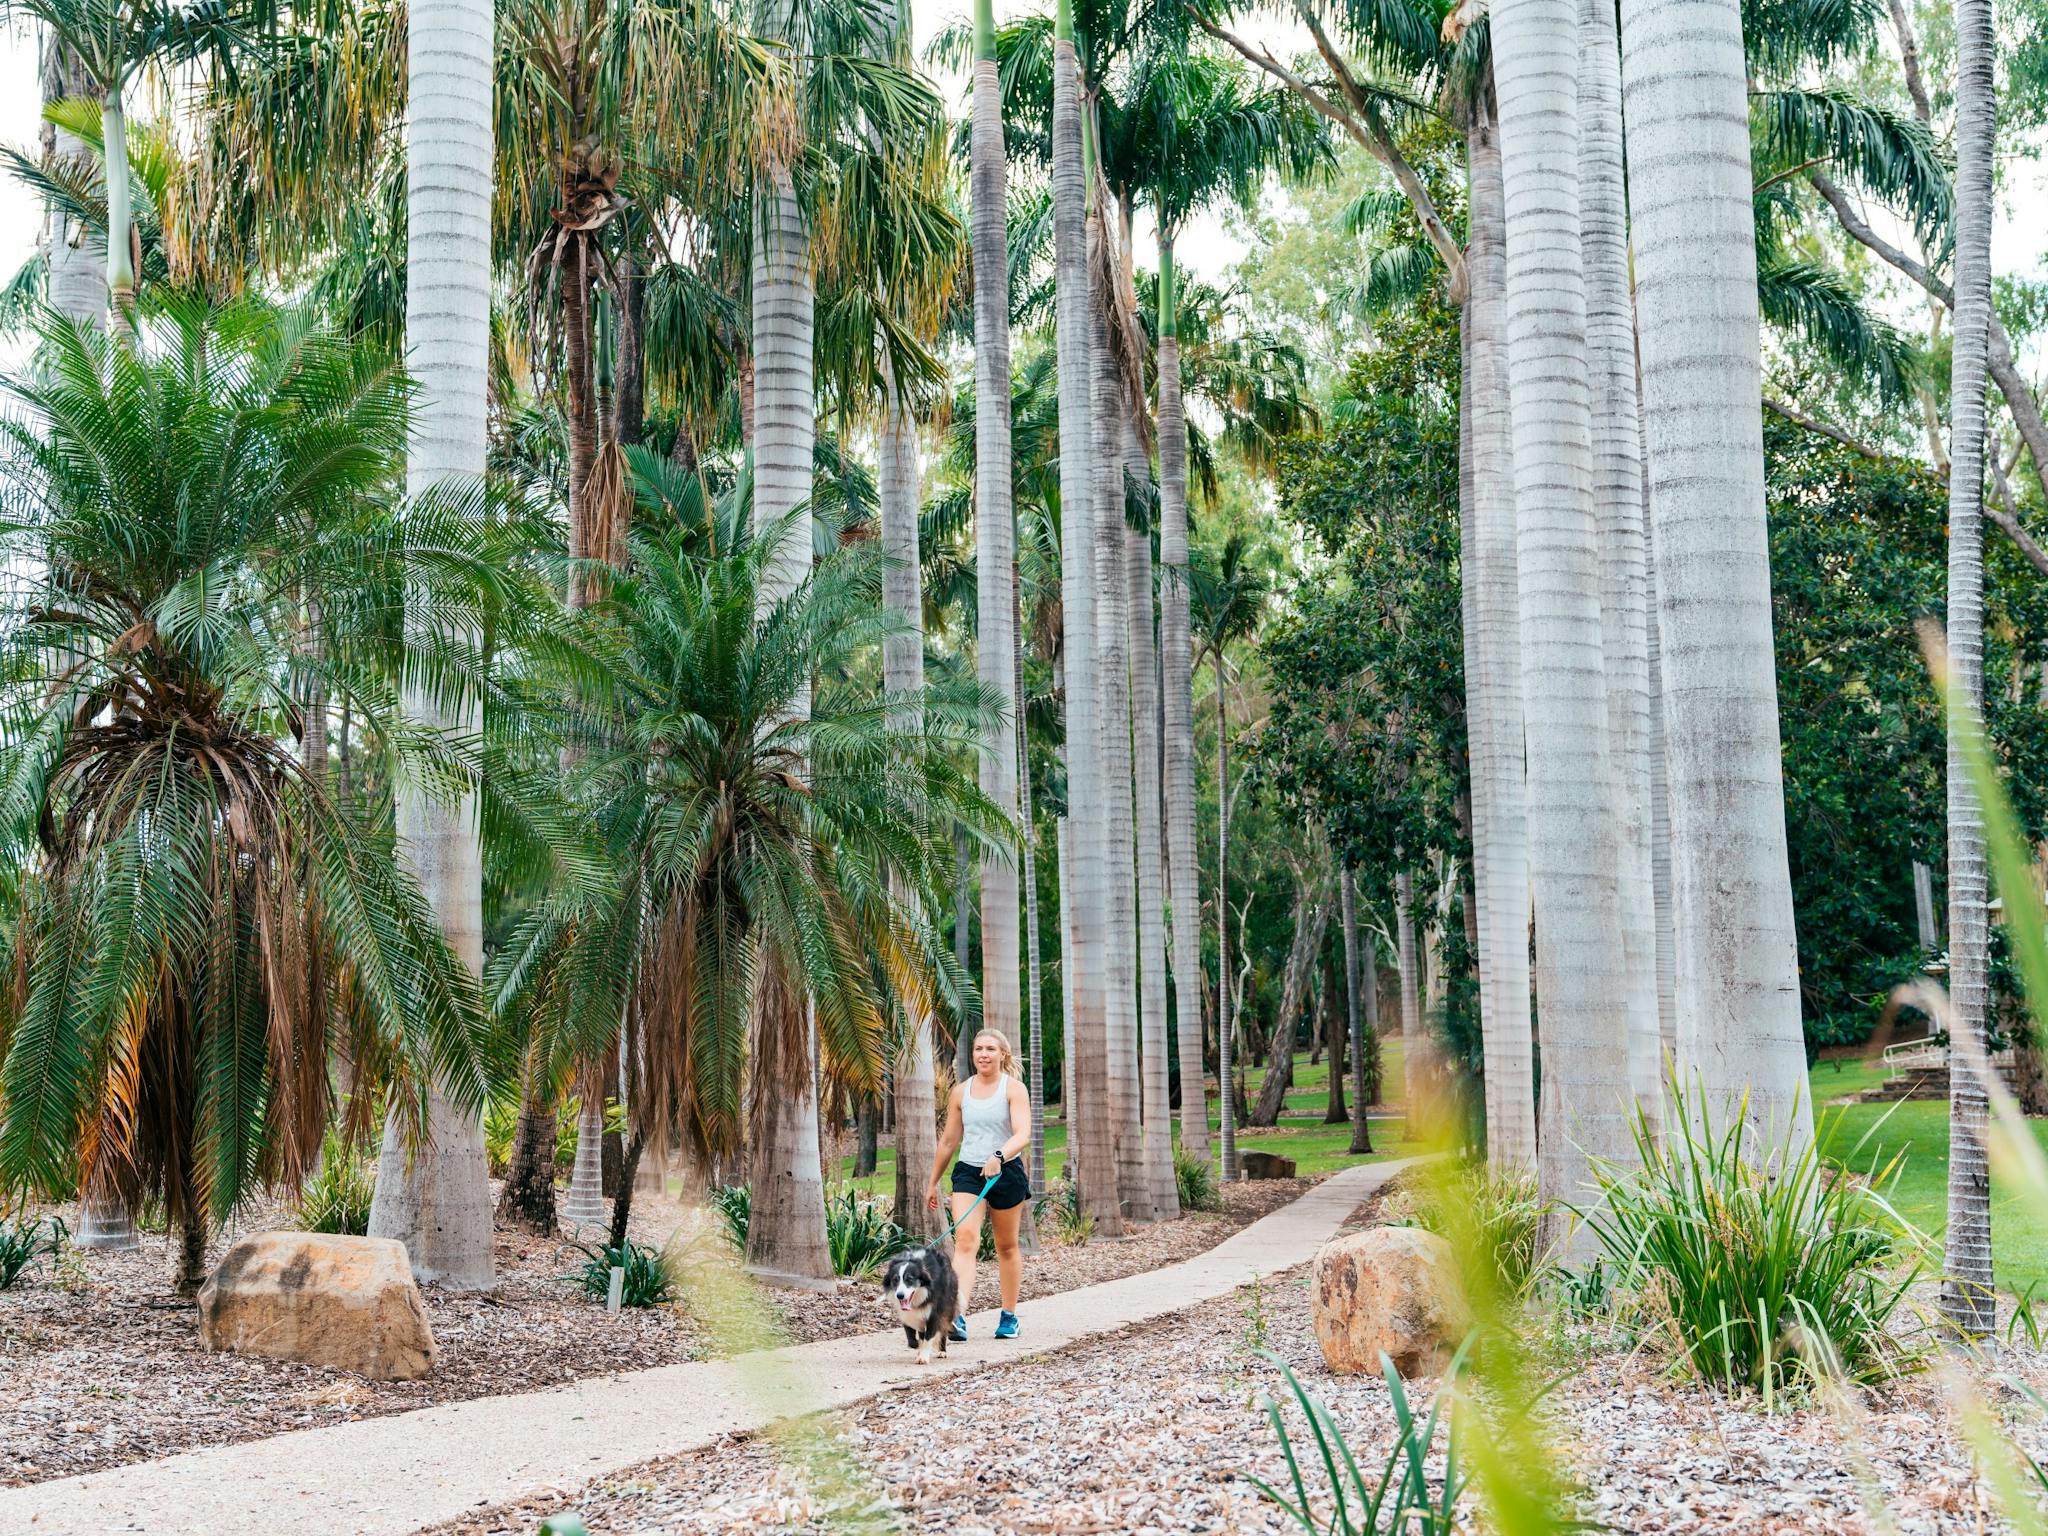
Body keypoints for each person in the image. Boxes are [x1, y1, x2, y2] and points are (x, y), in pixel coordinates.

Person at [925, 1028, 1033, 1340]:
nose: (983, 1054)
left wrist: (999, 1155)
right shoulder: (961, 1092)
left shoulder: (1013, 1089)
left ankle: (1009, 1316)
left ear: (1003, 1055)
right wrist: (933, 1183)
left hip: (1006, 1172)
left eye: (990, 1049)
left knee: (1006, 1246)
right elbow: (948, 1142)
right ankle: (956, 1315)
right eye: (978, 1049)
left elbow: (1022, 1133)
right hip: (969, 1173)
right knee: (966, 1240)